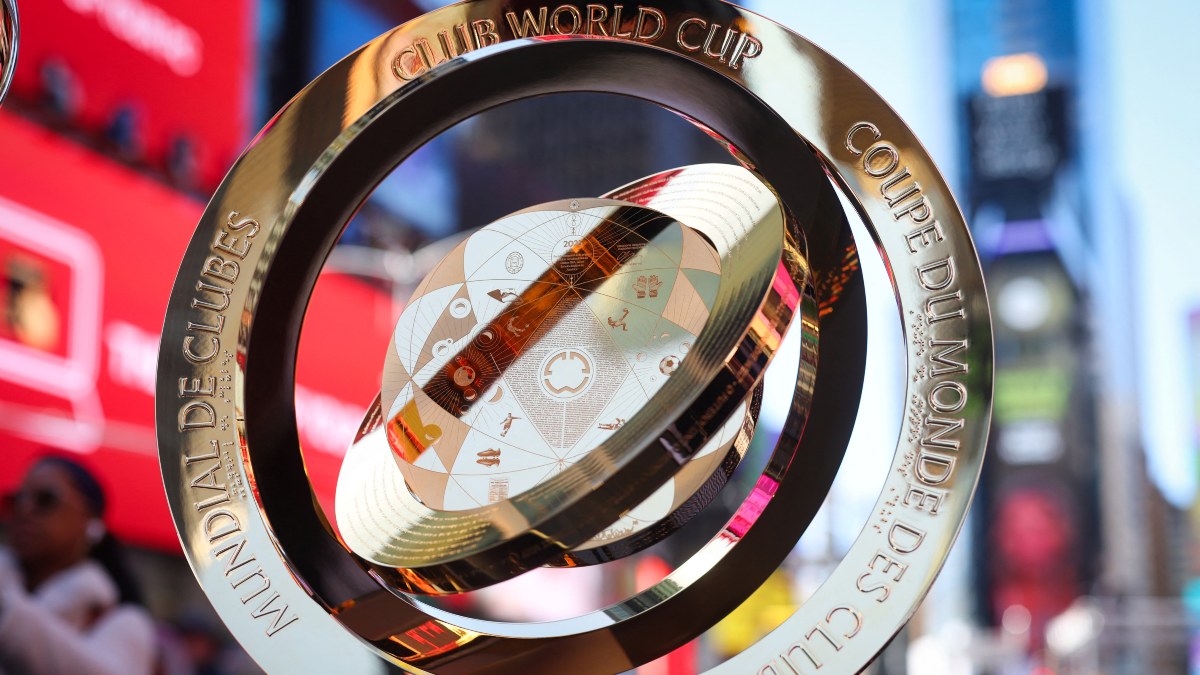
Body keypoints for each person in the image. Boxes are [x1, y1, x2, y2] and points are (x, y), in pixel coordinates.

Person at [0, 455, 156, 674]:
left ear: (89, 520)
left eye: (45, 499)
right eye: (16, 500)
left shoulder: (121, 622)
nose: (25, 510)